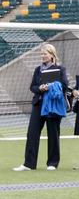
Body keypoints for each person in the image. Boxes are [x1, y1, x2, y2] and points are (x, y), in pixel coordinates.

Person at [13, 43, 68, 171]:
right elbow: (32, 87)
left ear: (52, 54)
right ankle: (29, 164)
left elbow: (65, 85)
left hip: (53, 105)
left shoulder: (60, 69)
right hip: (39, 104)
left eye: (45, 53)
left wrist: (52, 86)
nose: (42, 56)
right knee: (32, 133)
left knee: (53, 133)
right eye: (41, 53)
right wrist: (40, 88)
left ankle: (52, 163)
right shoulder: (38, 69)